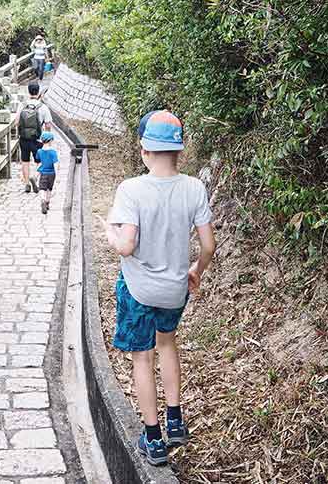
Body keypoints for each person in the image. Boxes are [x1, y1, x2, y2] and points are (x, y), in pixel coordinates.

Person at [99, 110, 216, 466]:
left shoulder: (132, 189)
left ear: (144, 151)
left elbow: (126, 246)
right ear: (178, 151)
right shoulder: (194, 187)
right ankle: (176, 420)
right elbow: (209, 245)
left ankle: (153, 439)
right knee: (167, 344)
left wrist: (109, 230)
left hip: (139, 290)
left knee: (142, 358)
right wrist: (195, 269)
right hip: (174, 290)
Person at [16, 81, 53, 193]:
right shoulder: (43, 107)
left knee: (25, 161)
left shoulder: (22, 105)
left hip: (23, 139)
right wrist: (47, 139)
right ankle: (35, 176)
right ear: (38, 92)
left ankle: (27, 184)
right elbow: (48, 125)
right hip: (37, 139)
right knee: (41, 160)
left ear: (28, 91)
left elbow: (16, 122)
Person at [35, 131, 58, 214]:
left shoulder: (39, 151)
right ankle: (47, 203)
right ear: (50, 140)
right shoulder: (53, 152)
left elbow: (39, 163)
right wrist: (57, 175)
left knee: (42, 189)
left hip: (43, 173)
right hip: (52, 174)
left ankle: (43, 200)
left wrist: (36, 174)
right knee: (49, 189)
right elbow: (55, 164)